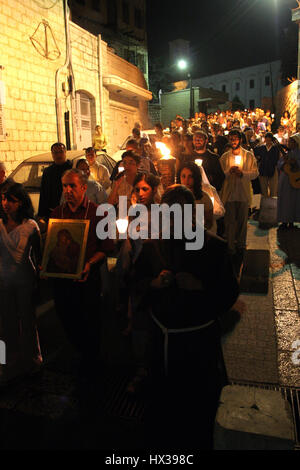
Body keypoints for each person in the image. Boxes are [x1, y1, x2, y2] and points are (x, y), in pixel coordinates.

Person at [132, 184, 239, 449]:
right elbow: (134, 281)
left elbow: (229, 293)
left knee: (196, 404)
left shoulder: (214, 247)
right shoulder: (153, 246)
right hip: (161, 336)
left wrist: (201, 286)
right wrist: (153, 284)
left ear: (192, 213)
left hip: (197, 340)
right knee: (162, 402)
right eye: (169, 214)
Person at [47, 169, 113, 377]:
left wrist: (90, 263)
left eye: (72, 186)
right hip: (62, 281)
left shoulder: (98, 213)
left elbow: (107, 247)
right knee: (66, 317)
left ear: (84, 188)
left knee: (90, 319)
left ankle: (91, 359)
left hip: (87, 278)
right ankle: (81, 350)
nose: (67, 190)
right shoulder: (57, 214)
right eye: (64, 186)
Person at [0, 183, 42, 386]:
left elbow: (40, 255)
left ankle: (32, 361)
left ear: (21, 203)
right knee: (5, 323)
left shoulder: (31, 226)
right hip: (3, 280)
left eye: (11, 200)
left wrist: (42, 277)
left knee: (27, 321)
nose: (6, 203)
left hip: (25, 278)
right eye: (4, 199)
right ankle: (7, 362)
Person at [219, 129, 259, 271]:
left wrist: (243, 173)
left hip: (242, 193)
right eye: (231, 139)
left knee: (242, 220)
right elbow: (221, 173)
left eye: (235, 139)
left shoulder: (248, 155)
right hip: (229, 193)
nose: (233, 141)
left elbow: (255, 173)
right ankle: (230, 246)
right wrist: (228, 172)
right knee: (230, 221)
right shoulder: (224, 157)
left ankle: (241, 244)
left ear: (240, 140)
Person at [38, 142, 72, 221]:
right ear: (52, 154)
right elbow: (43, 193)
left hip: (70, 210)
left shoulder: (71, 168)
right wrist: (41, 214)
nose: (58, 155)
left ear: (65, 152)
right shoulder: (48, 172)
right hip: (52, 211)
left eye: (61, 152)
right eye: (55, 153)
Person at [178, 162, 214, 231]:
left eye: (190, 176)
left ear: (196, 178)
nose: (186, 180)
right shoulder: (175, 196)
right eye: (183, 176)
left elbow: (209, 222)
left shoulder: (204, 198)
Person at [277, 133, 300, 229]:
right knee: (284, 200)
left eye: (291, 141)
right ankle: (284, 220)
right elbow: (279, 164)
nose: (289, 143)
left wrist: (295, 163)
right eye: (289, 141)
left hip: (295, 180)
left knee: (293, 201)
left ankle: (292, 220)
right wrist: (284, 163)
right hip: (285, 180)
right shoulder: (286, 154)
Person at [254, 132, 279, 197]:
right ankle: (264, 200)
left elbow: (277, 158)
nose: (268, 141)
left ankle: (273, 201)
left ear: (271, 139)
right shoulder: (262, 147)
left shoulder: (275, 148)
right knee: (263, 186)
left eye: (269, 139)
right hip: (263, 168)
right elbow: (255, 152)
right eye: (266, 139)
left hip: (272, 168)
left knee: (273, 187)